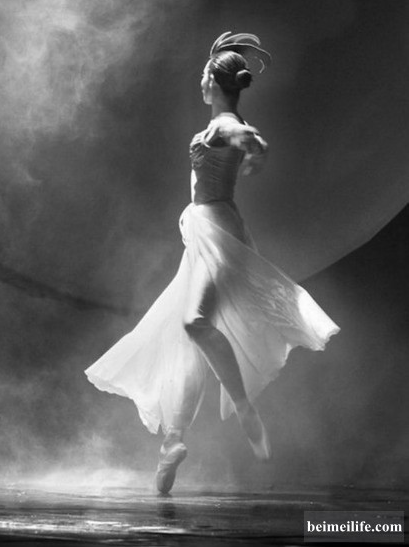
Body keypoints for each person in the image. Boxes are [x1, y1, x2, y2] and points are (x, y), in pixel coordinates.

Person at [85, 32, 340, 494]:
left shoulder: (225, 123)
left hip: (219, 233)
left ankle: (243, 406)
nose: (200, 82)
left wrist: (255, 146)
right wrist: (250, 149)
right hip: (204, 231)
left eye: (203, 75)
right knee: (182, 341)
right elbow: (235, 142)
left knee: (194, 323)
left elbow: (242, 135)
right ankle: (172, 441)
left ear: (212, 82)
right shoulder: (221, 123)